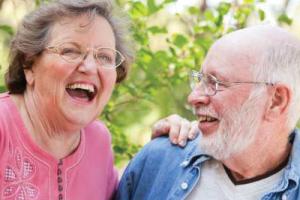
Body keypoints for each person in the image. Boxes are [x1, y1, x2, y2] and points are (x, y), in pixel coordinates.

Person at [116, 25, 300, 200]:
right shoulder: (158, 161)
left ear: (276, 100)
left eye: (216, 83)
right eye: (201, 79)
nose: (193, 96)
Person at [0, 0, 135, 199]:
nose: (89, 67)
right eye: (70, 51)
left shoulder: (99, 142)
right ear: (29, 65)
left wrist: (169, 141)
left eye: (105, 57)